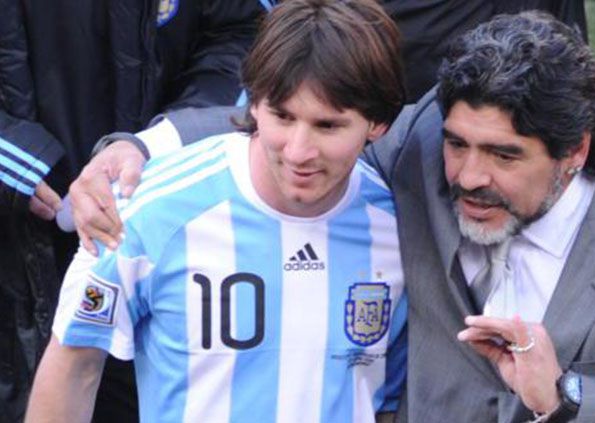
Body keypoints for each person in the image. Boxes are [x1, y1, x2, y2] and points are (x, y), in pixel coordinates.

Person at [69, 10, 595, 423]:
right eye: (460, 145)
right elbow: (303, 118)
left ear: (575, 150)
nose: (468, 176)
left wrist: (568, 394)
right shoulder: (420, 146)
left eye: (505, 156)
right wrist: (141, 146)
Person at [25, 0, 406, 422]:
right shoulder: (147, 210)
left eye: (327, 126)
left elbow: (387, 398)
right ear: (254, 104)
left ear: (377, 124)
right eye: (282, 117)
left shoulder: (399, 225)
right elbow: (74, 366)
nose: (299, 151)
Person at [0, 1, 264, 420]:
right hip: (19, 240)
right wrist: (12, 157)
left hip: (155, 220)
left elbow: (243, 31)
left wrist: (163, 143)